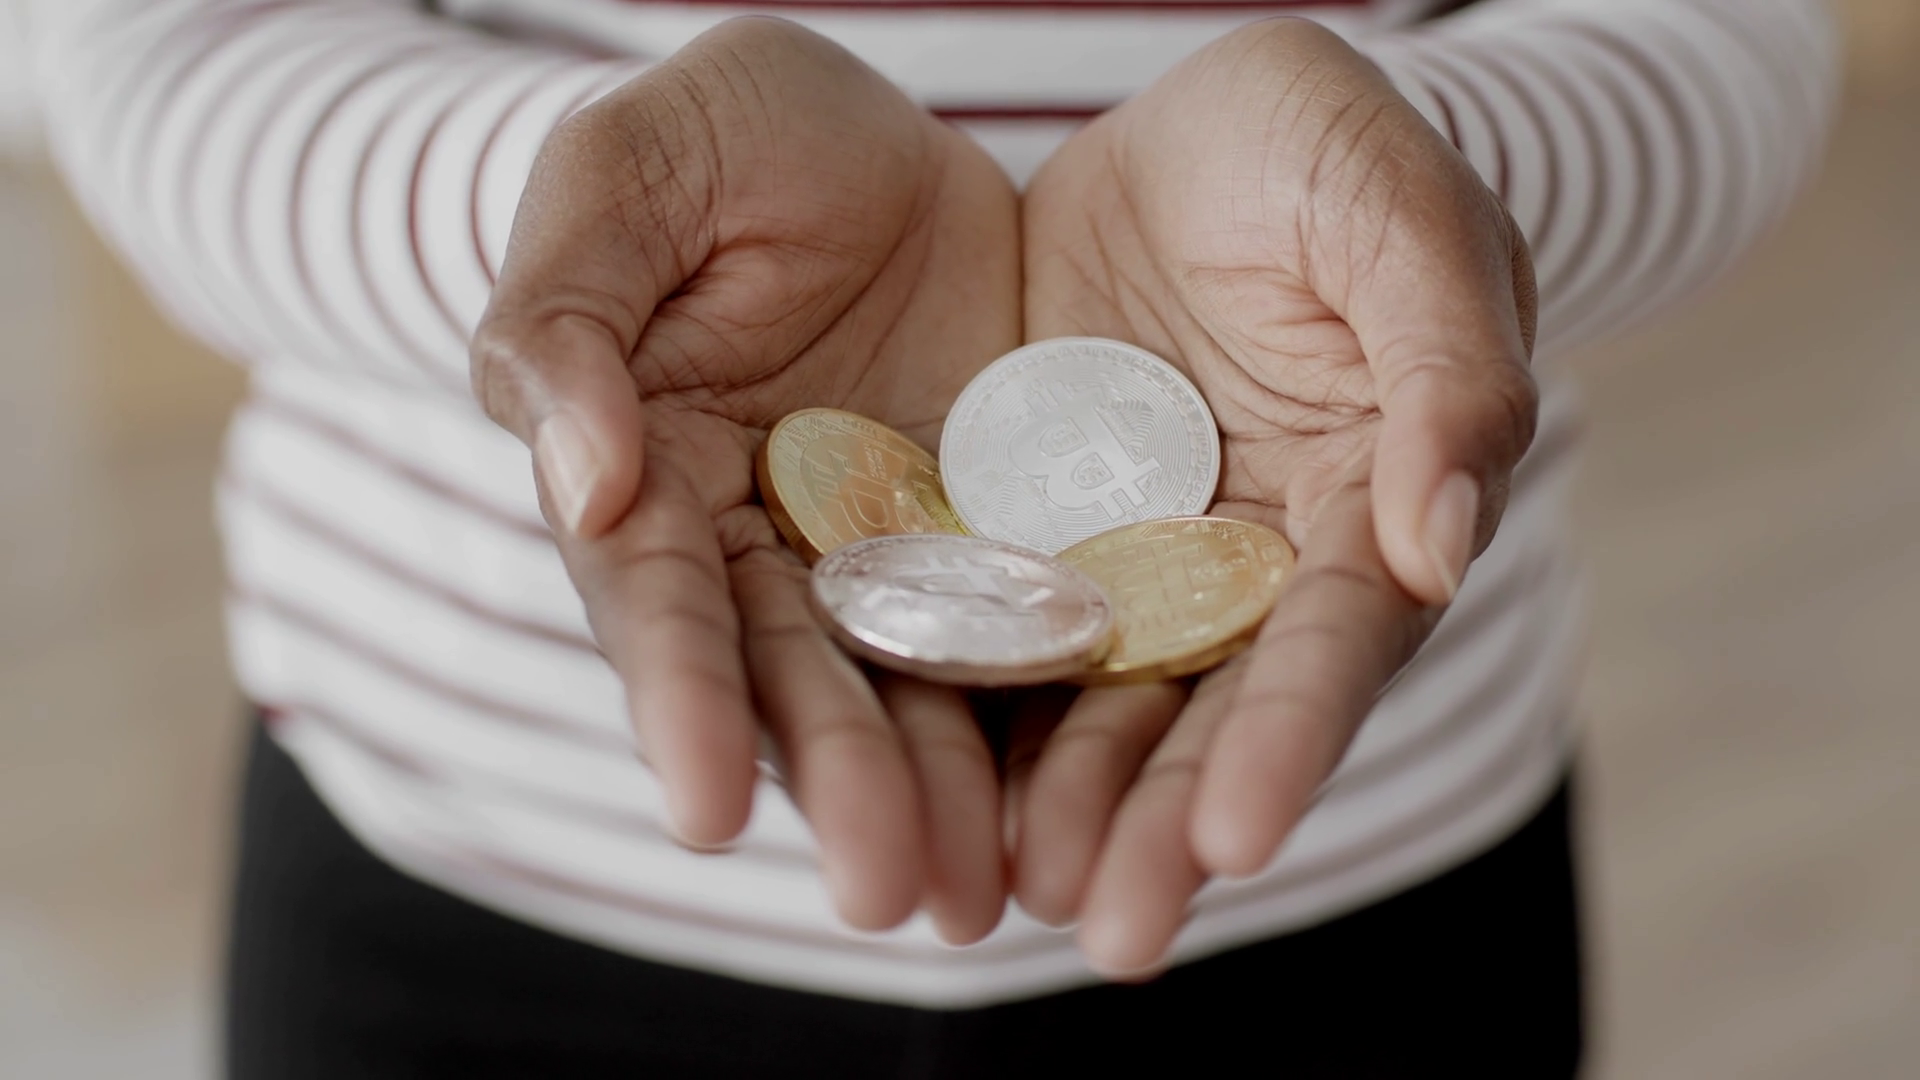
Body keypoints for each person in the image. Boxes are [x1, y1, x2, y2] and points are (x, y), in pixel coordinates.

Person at [25, 0, 1836, 1075]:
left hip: (1362, 861)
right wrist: (580, 234)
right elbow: (157, 48)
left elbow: (1735, 31)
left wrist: (1441, 206)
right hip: (462, 862)